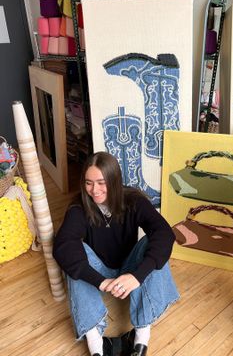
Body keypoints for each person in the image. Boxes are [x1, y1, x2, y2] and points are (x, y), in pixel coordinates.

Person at [53, 152, 179, 356]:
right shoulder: (79, 206)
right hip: (100, 270)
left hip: (129, 267)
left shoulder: (134, 200)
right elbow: (63, 244)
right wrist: (100, 282)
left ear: (114, 180)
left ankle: (141, 340)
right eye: (89, 183)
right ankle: (96, 346)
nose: (94, 190)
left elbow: (164, 233)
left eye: (101, 182)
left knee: (154, 244)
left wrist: (137, 277)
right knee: (74, 254)